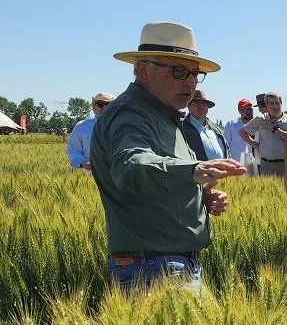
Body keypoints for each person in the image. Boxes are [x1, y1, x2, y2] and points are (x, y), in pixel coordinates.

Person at [89, 21, 245, 293]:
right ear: (143, 69)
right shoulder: (131, 115)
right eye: (179, 71)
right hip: (153, 266)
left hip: (164, 263)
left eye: (195, 74)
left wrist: (198, 200)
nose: (191, 82)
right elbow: (131, 166)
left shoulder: (163, 114)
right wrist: (192, 171)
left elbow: (156, 181)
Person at [240, 91, 287, 177]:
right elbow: (242, 132)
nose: (275, 106)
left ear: (281, 104)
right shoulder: (261, 119)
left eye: (277, 103)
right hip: (267, 165)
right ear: (267, 105)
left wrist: (273, 128)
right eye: (271, 103)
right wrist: (256, 145)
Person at [66, 92, 115, 170]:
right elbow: (72, 149)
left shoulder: (121, 127)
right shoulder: (81, 126)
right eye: (100, 104)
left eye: (108, 104)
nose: (105, 107)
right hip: (89, 175)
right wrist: (82, 162)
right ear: (94, 108)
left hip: (116, 175)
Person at [182, 90, 227, 161]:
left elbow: (227, 149)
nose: (201, 106)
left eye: (204, 103)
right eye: (197, 103)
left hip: (223, 170)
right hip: (199, 171)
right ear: (188, 106)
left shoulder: (215, 127)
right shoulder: (182, 128)